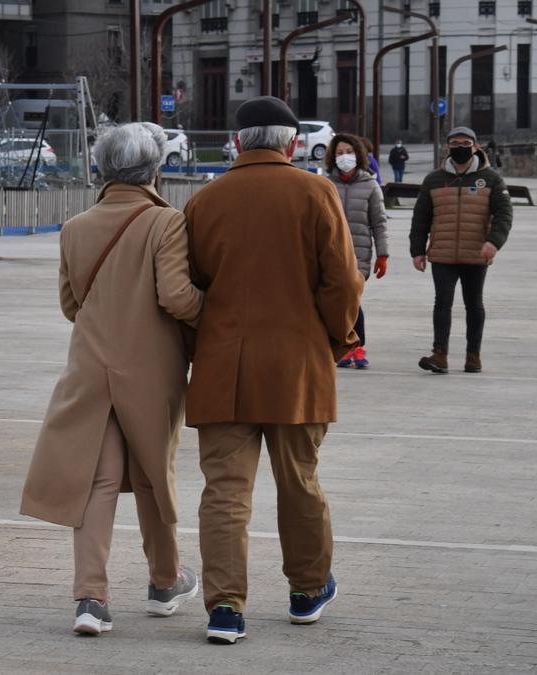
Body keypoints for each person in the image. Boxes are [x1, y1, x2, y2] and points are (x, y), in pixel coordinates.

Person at [183, 96, 363, 644]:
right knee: (299, 481)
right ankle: (307, 591)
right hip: (296, 365)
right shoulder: (316, 192)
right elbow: (342, 280)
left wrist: (203, 346)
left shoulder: (204, 201)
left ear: (236, 142)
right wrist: (333, 340)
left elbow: (185, 288)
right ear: (291, 143)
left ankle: (225, 609)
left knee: (224, 493)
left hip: (222, 368)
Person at [21, 122, 203, 637]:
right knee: (152, 476)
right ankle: (165, 581)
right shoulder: (165, 222)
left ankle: (90, 599)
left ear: (103, 168)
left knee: (96, 482)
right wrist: (212, 313)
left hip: (90, 369)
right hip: (151, 371)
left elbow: (70, 305)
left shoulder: (75, 227)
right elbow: (176, 296)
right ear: (154, 168)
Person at [410, 126, 513, 375]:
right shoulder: (434, 179)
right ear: (447, 148)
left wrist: (494, 241)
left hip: (476, 252)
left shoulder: (491, 178)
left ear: (475, 147)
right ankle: (440, 354)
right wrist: (417, 250)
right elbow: (421, 218)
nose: (460, 148)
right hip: (443, 253)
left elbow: (504, 214)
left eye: (465, 143)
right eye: (455, 143)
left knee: (474, 304)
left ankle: (473, 355)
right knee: (442, 302)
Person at [326, 134, 389, 369]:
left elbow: (379, 222)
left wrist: (383, 254)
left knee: (352, 299)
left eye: (349, 152)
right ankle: (344, 346)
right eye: (340, 153)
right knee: (338, 301)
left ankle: (357, 346)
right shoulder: (325, 184)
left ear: (359, 155)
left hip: (358, 253)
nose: (345, 157)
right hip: (330, 252)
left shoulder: (370, 185)